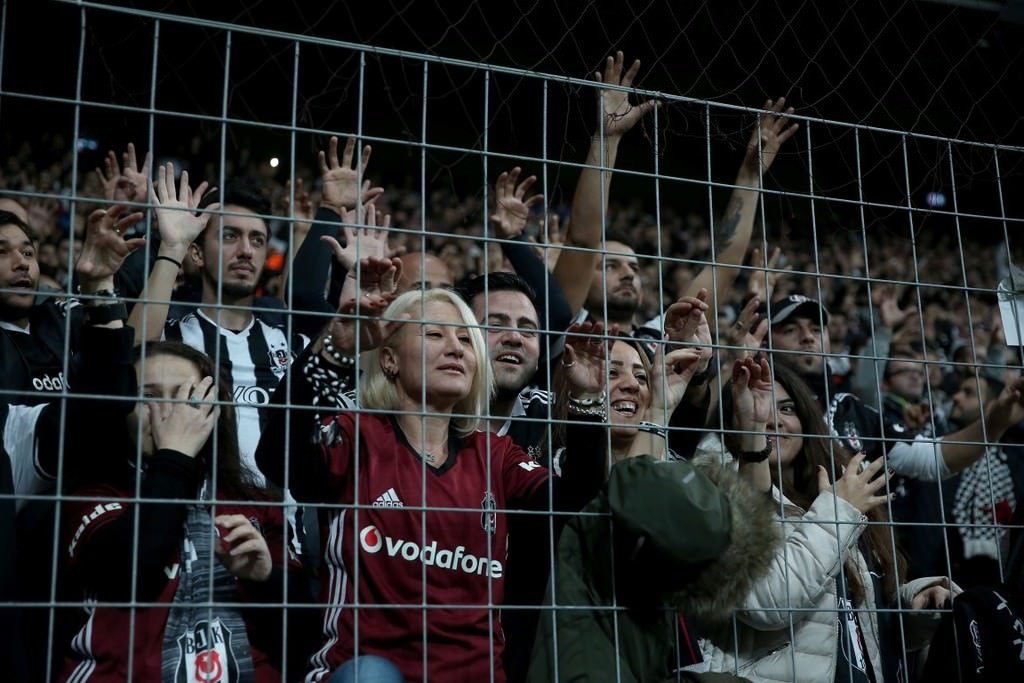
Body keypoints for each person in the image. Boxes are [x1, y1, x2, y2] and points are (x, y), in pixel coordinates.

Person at [256, 231, 609, 681]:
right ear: (389, 360)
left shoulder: (495, 455)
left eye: (465, 339)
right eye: (434, 334)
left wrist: (584, 402)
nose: (456, 347)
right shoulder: (357, 434)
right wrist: (334, 349)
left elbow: (573, 504)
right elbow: (279, 459)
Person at [59, 341, 311, 682]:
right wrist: (175, 455)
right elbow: (128, 574)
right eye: (149, 395)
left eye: (185, 396)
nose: (169, 412)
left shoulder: (254, 502)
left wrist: (266, 579)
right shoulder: (92, 495)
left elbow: (305, 638)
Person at [699, 360, 958, 683]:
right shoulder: (717, 494)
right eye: (756, 408)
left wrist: (915, 603)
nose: (773, 420)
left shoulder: (835, 492)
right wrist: (837, 512)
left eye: (788, 409)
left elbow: (850, 613)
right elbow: (768, 603)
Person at [129, 166, 310, 486]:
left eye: (257, 240)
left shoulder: (289, 342)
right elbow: (130, 358)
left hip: (286, 533)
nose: (246, 250)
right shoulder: (175, 336)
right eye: (229, 236)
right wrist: (172, 246)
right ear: (196, 253)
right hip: (197, 526)